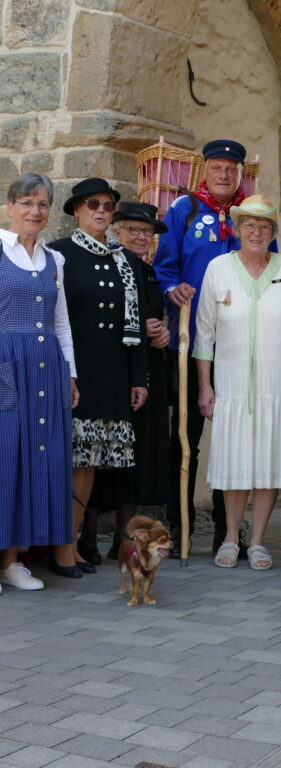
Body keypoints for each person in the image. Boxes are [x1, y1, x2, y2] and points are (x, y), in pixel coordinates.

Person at [194, 195, 281, 569]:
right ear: (237, 229)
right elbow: (203, 335)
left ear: (272, 233)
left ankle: (258, 541)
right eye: (249, 225)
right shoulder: (218, 268)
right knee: (235, 464)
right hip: (231, 387)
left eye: (264, 227)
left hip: (279, 389)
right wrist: (205, 387)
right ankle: (231, 536)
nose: (256, 232)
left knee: (269, 463)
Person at [153, 139, 251, 558]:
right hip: (191, 343)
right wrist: (173, 288)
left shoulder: (252, 216)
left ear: (241, 173)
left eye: (232, 168)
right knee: (184, 437)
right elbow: (164, 265)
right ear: (204, 170)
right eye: (217, 167)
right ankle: (179, 524)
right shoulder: (185, 210)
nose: (225, 174)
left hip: (237, 347)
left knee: (233, 438)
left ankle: (230, 531)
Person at [49, 178, 148, 577]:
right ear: (76, 209)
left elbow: (137, 322)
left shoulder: (125, 259)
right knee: (69, 461)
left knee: (89, 461)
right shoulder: (58, 254)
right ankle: (58, 547)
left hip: (110, 371)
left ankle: (70, 546)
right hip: (73, 369)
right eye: (93, 204)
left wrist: (139, 377)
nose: (101, 211)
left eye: (108, 205)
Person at [0, 173, 80, 592]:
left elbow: (61, 323)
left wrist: (71, 374)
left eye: (43, 204)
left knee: (33, 458)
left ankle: (12, 561)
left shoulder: (55, 260)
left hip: (46, 369)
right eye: (27, 203)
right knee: (3, 459)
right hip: (6, 364)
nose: (35, 211)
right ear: (11, 206)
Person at [101, 201, 171, 556]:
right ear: (117, 232)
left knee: (140, 453)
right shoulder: (109, 267)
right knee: (112, 452)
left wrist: (162, 333)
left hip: (149, 371)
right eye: (134, 230)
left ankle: (124, 538)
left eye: (147, 231)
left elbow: (154, 317)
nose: (142, 236)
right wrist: (138, 329)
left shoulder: (147, 272)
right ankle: (88, 536)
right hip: (117, 369)